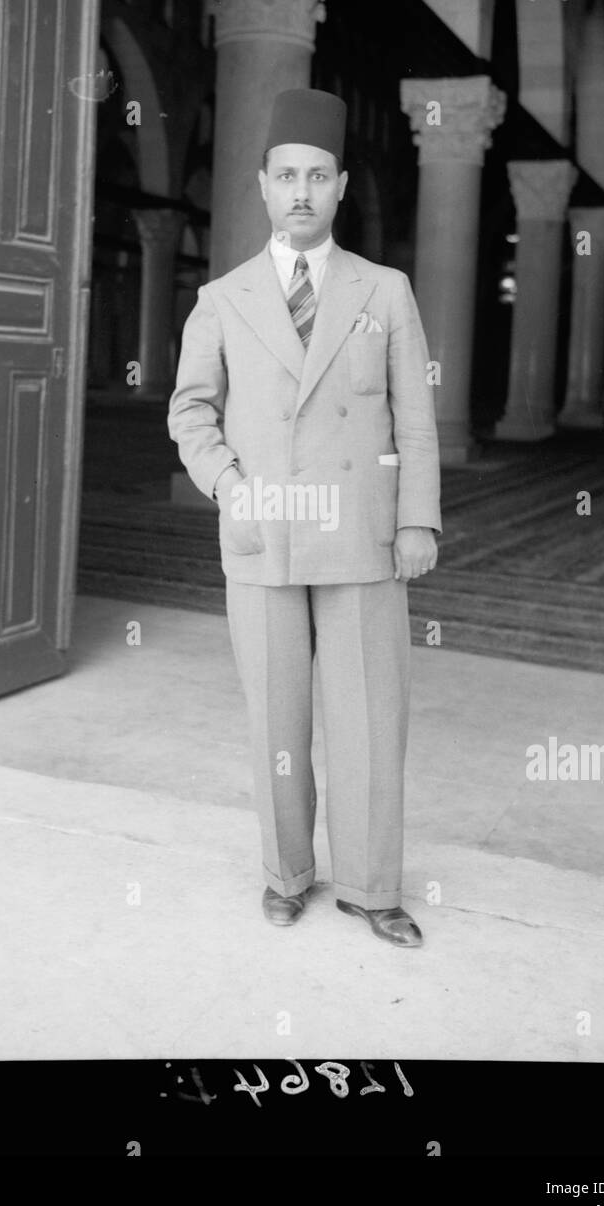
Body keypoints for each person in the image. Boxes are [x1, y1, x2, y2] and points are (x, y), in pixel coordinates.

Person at [168, 88, 441, 946]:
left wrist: (417, 522)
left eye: (316, 176)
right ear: (260, 185)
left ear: (341, 186)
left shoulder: (385, 290)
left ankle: (370, 885)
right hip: (265, 534)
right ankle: (286, 872)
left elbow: (415, 419)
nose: (300, 191)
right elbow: (189, 412)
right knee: (276, 720)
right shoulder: (223, 297)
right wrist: (229, 485)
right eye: (285, 174)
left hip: (361, 534)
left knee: (367, 718)